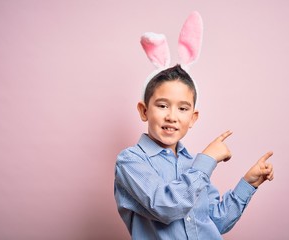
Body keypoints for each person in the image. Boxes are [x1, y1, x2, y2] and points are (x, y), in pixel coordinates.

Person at [114, 64, 274, 240]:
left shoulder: (193, 165)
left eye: (182, 109)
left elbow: (216, 223)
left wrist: (248, 184)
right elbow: (165, 207)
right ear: (144, 111)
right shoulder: (130, 161)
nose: (172, 116)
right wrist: (207, 160)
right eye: (162, 106)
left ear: (192, 118)